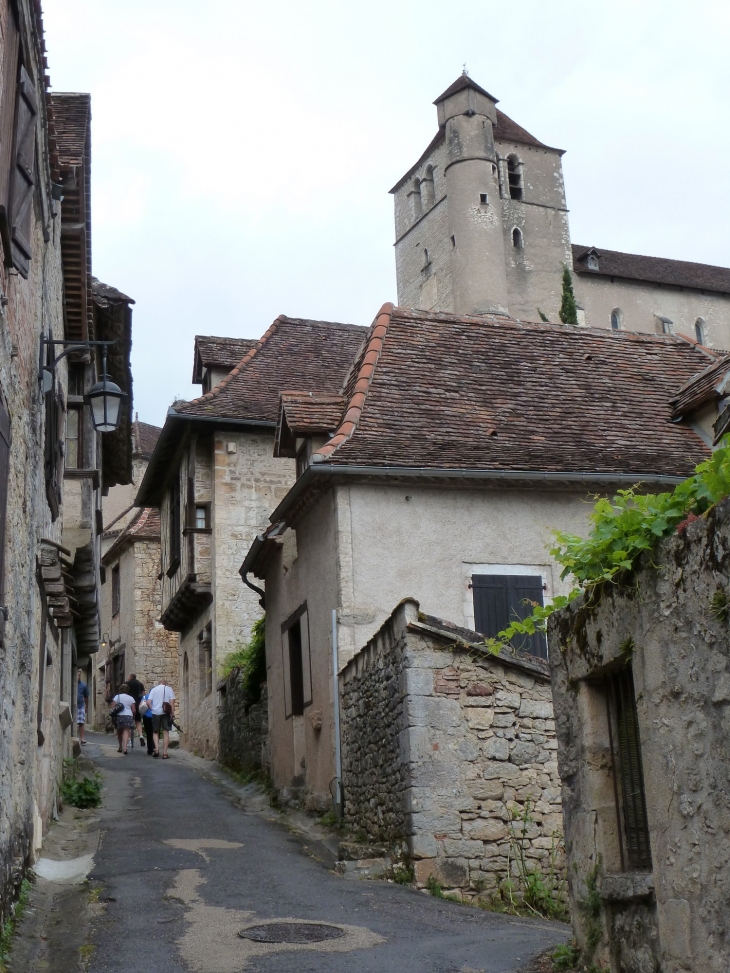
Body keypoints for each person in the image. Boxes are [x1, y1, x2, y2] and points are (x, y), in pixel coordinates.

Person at [146, 679, 175, 759]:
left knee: (155, 731)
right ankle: (165, 753)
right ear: (165, 683)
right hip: (165, 712)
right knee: (166, 732)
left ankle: (157, 750)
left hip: (156, 712)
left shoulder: (154, 690)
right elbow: (172, 703)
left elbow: (148, 702)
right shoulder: (169, 689)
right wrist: (172, 714)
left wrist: (152, 709)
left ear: (159, 683)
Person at [110, 683, 137, 755]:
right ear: (128, 690)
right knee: (126, 731)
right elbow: (134, 710)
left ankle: (120, 747)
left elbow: (113, 707)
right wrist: (133, 716)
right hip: (128, 715)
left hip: (119, 716)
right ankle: (125, 748)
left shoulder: (117, 697)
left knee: (119, 732)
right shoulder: (131, 698)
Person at [126, 672, 145, 747]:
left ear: (130, 677)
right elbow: (143, 694)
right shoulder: (140, 684)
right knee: (138, 721)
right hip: (138, 704)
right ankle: (141, 736)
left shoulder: (127, 683)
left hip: (130, 704)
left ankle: (130, 740)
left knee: (129, 723)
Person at [139, 691, 155, 756]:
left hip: (146, 716)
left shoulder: (145, 697)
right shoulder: (156, 697)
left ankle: (149, 749)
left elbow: (140, 706)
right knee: (155, 732)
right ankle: (155, 747)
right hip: (155, 716)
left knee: (148, 733)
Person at [76, 669, 89, 745]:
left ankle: (82, 738)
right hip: (73, 706)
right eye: (77, 674)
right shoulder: (71, 684)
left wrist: (86, 706)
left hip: (80, 706)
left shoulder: (83, 685)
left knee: (81, 723)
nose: (78, 676)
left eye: (80, 675)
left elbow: (86, 697)